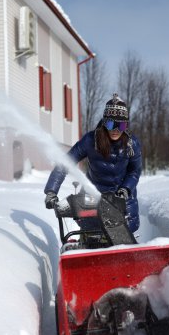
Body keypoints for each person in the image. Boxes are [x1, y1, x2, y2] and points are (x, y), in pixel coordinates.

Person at [44, 93, 142, 233]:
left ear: (126, 126)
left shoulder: (132, 144)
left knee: (122, 235)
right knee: (92, 234)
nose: (115, 130)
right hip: (93, 198)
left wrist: (125, 189)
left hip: (122, 199)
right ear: (104, 123)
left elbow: (135, 171)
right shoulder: (91, 141)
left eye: (120, 125)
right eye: (110, 123)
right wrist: (51, 191)